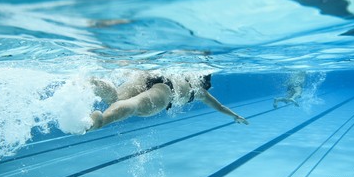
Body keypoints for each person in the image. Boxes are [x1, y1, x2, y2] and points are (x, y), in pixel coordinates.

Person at [88, 70, 249, 130]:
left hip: (149, 75)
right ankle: (101, 121)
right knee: (135, 105)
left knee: (115, 97)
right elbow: (220, 107)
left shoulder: (182, 73)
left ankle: (92, 82)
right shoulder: (200, 92)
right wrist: (235, 116)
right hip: (167, 88)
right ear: (206, 84)